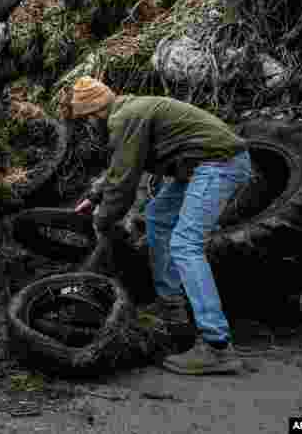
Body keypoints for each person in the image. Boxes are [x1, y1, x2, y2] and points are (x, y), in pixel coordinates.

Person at [68, 76, 251, 375]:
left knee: (185, 243)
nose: (88, 128)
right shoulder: (127, 112)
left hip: (219, 163)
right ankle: (173, 309)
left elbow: (124, 184)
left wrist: (100, 222)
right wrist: (93, 196)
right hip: (198, 166)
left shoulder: (125, 118)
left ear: (94, 114)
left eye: (86, 121)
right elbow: (119, 168)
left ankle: (217, 346)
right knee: (157, 217)